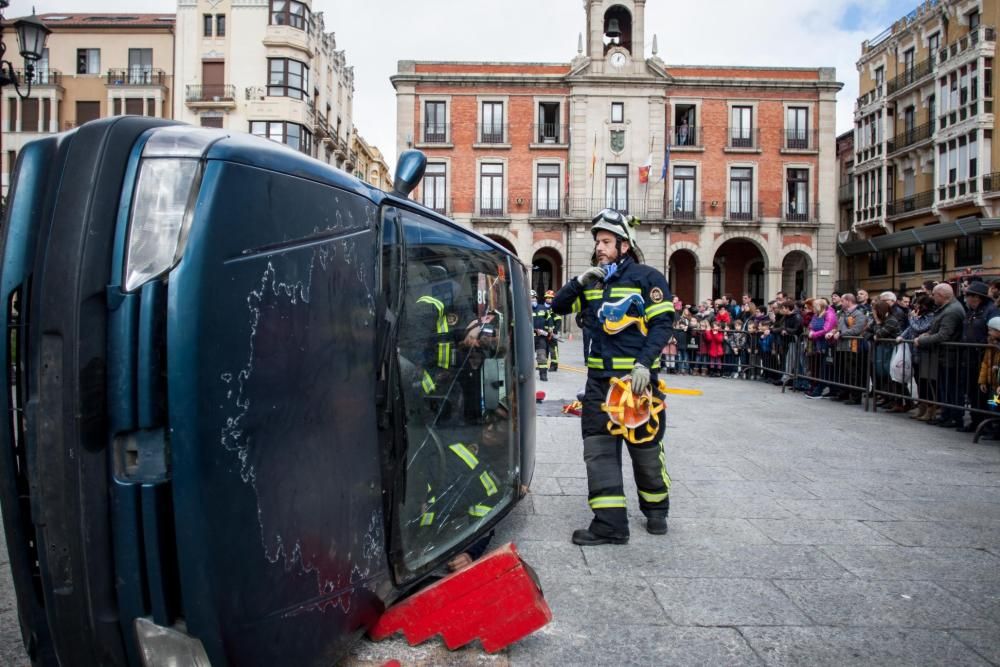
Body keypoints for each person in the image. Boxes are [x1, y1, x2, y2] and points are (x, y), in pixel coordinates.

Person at [551, 209, 674, 545]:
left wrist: (644, 365)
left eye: (606, 241)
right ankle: (610, 524)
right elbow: (558, 307)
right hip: (598, 384)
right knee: (598, 450)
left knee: (646, 452)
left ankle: (656, 510)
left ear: (624, 245)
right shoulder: (593, 282)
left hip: (635, 383)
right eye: (597, 242)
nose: (600, 248)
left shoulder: (649, 278)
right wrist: (579, 281)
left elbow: (663, 324)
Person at [916, 283, 966, 427]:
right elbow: (937, 330)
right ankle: (946, 414)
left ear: (941, 296)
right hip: (943, 356)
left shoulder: (951, 311)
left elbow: (944, 335)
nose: (932, 297)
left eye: (934, 295)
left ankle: (953, 416)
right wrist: (927, 334)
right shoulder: (946, 309)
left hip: (950, 356)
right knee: (945, 388)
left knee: (952, 389)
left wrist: (922, 340)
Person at [956, 281, 998, 432]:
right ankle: (976, 421)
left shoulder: (990, 311)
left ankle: (989, 424)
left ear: (977, 297)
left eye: (968, 296)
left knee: (987, 394)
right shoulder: (971, 312)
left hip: (983, 358)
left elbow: (993, 333)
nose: (965, 299)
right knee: (972, 392)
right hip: (969, 358)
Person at [531, 290, 550, 382]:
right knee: (525, 358)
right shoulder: (523, 310)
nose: (532, 300)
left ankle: (543, 374)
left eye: (534, 298)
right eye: (530, 298)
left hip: (541, 338)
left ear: (537, 298)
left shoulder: (543, 308)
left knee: (542, 356)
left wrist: (548, 331)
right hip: (528, 338)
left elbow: (549, 320)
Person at [544, 290, 561, 372]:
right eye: (547, 297)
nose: (549, 299)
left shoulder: (555, 308)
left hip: (552, 333)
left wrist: (554, 331)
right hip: (544, 332)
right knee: (544, 348)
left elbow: (558, 321)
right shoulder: (542, 308)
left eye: (550, 298)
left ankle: (554, 366)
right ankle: (543, 365)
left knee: (553, 349)